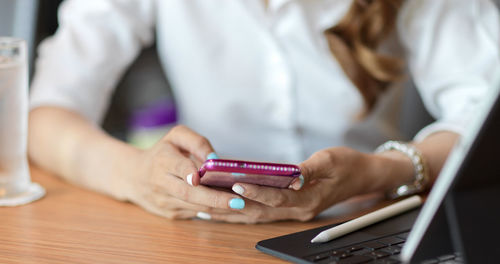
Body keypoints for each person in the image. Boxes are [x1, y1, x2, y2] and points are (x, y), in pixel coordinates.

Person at [28, 0, 500, 223]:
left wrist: (382, 170)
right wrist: (136, 174)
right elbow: (46, 115)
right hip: (198, 239)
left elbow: (485, 116)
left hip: (359, 223)